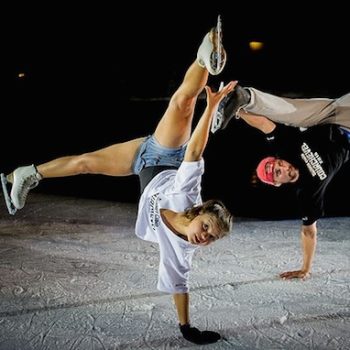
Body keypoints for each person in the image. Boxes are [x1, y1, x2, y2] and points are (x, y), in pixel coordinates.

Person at [1, 19, 235, 345]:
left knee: (84, 164)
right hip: (164, 156)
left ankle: (24, 173)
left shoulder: (180, 252)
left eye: (210, 239)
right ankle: (204, 54)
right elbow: (194, 149)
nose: (204, 238)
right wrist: (210, 109)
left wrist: (186, 329)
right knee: (184, 103)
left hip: (140, 166)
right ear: (199, 213)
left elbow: (180, 287)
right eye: (208, 227)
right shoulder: (187, 192)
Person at [223, 101, 349, 281]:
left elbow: (264, 124)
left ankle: (239, 99)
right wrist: (305, 268)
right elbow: (308, 231)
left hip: (336, 115)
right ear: (276, 183)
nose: (283, 168)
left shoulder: (287, 146)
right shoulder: (308, 193)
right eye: (277, 172)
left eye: (279, 163)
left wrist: (236, 111)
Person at [210, 83, 350, 134]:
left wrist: (239, 109)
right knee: (299, 116)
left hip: (338, 119)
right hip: (341, 117)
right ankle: (244, 98)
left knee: (299, 116)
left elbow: (265, 125)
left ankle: (245, 98)